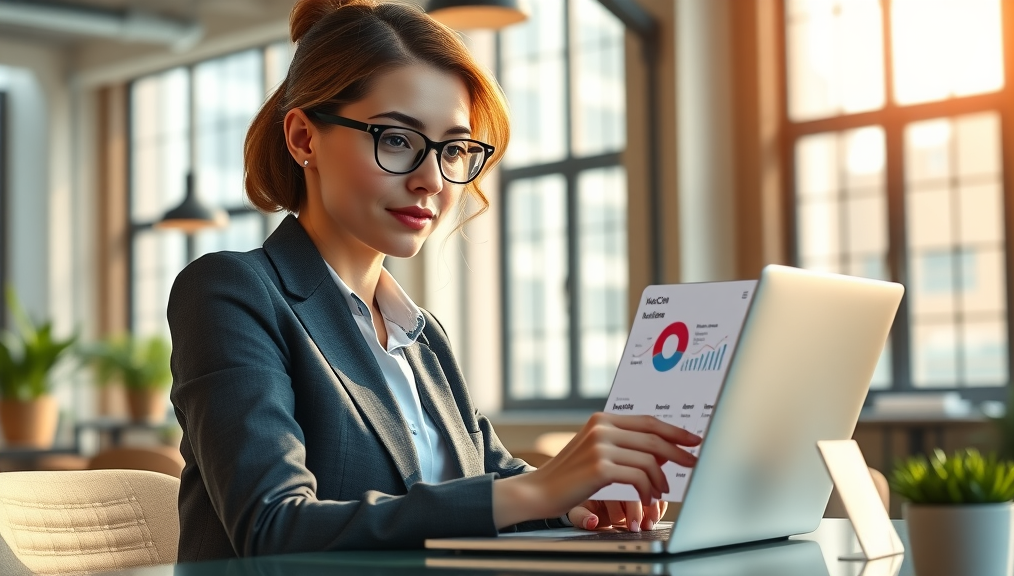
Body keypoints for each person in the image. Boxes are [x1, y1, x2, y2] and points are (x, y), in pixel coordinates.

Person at [167, 0, 700, 562]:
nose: (431, 180)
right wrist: (538, 488)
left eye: (454, 148)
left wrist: (577, 502)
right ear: (303, 139)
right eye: (397, 139)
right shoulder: (232, 291)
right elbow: (272, 527)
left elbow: (489, 478)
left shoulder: (420, 334)